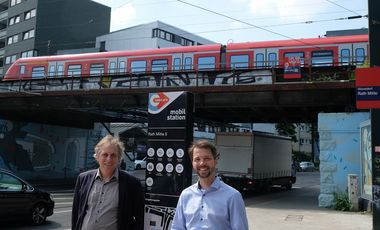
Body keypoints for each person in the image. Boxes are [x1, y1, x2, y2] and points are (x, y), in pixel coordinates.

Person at [171, 140, 249, 230]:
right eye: (197, 159)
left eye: (207, 158)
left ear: (216, 160)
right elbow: (177, 227)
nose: (202, 163)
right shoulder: (185, 195)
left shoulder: (232, 196)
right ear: (192, 163)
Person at [71, 134, 144, 230]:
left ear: (119, 159)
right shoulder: (83, 179)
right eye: (105, 155)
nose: (109, 159)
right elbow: (76, 213)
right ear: (97, 157)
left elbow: (140, 218)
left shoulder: (132, 183)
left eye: (113, 155)